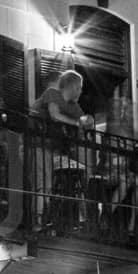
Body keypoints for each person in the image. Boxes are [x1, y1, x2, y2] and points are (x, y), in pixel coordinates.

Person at [31, 69, 95, 232]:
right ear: (73, 86)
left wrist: (88, 123)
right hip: (38, 145)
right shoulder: (52, 93)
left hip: (56, 151)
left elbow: (84, 125)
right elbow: (54, 115)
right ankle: (38, 220)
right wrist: (77, 123)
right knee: (43, 184)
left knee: (79, 171)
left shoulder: (75, 107)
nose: (81, 91)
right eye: (80, 87)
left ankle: (79, 218)